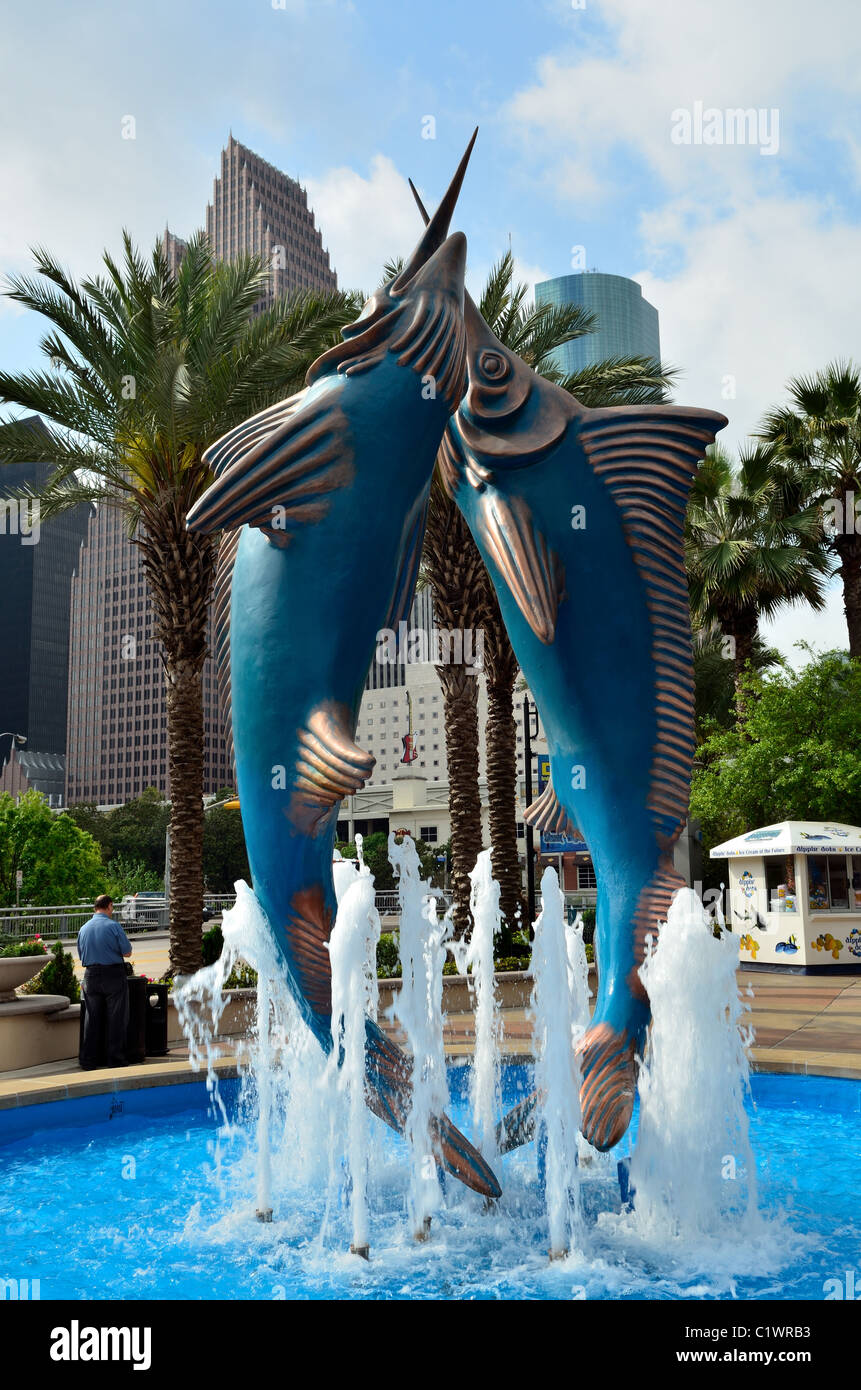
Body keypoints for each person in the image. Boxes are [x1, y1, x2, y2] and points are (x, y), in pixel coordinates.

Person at [77, 894, 133, 1069]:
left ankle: (88, 1060)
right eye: (113, 907)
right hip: (113, 975)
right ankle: (115, 1059)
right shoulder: (113, 926)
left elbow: (81, 955)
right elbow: (127, 952)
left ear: (95, 907)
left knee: (91, 1018)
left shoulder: (83, 928)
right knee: (116, 1018)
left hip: (91, 975)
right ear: (109, 906)